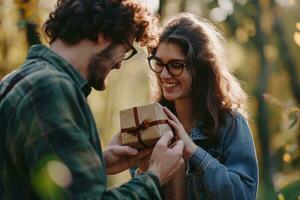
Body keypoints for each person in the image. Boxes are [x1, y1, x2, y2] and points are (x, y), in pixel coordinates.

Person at [0, 0, 185, 199]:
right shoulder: (50, 89)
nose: (119, 66)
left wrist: (97, 163)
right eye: (125, 51)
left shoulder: (17, 80)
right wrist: (155, 176)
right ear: (103, 35)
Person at [136, 12, 259, 199]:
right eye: (159, 63)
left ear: (201, 68)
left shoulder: (231, 124)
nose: (164, 74)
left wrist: (193, 151)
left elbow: (243, 194)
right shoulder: (149, 122)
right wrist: (145, 170)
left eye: (175, 65)